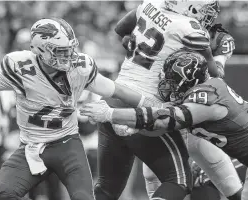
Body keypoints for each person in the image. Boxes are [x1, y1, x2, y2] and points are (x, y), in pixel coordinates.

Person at [0, 18, 160, 200]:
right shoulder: (19, 67)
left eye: (70, 49)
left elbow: (116, 90)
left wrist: (146, 103)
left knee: (83, 197)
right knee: (3, 194)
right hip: (31, 146)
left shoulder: (80, 67)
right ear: (39, 50)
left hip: (67, 144)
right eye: (60, 51)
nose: (68, 56)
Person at [101, 0, 242, 199]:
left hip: (123, 91)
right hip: (154, 101)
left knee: (111, 187)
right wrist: (222, 56)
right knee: (181, 173)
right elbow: (216, 75)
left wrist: (140, 51)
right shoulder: (190, 29)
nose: (208, 14)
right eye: (205, 9)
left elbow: (121, 32)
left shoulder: (152, 4)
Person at [80, 50, 248, 200]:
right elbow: (163, 114)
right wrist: (135, 127)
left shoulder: (207, 99)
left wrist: (110, 114)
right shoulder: (203, 90)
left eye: (173, 82)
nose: (167, 87)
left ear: (189, 82)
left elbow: (165, 119)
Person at [141, 12, 239, 200]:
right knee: (155, 172)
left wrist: (208, 54)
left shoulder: (216, 39)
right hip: (173, 105)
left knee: (215, 172)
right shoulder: (163, 28)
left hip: (195, 108)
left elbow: (216, 75)